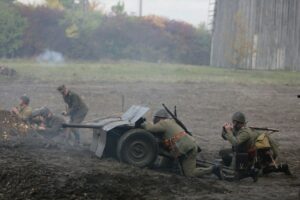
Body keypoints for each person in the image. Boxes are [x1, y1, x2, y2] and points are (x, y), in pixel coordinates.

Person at [141, 108, 222, 179]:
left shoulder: (164, 123)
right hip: (189, 145)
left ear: (160, 118)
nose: (154, 121)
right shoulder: (171, 122)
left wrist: (143, 122)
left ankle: (213, 169)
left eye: (155, 118)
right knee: (165, 165)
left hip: (185, 148)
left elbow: (150, 128)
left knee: (189, 173)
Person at [221, 111, 291, 180]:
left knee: (260, 171)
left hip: (249, 156)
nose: (233, 124)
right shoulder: (238, 129)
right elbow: (226, 137)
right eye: (233, 122)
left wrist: (229, 131)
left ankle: (281, 167)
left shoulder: (245, 132)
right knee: (224, 154)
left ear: (240, 123)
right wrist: (224, 131)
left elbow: (235, 142)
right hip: (246, 154)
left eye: (235, 122)